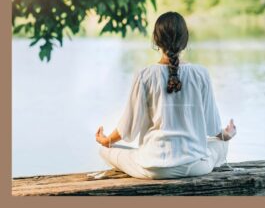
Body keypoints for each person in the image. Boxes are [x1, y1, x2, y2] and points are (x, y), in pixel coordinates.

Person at [95, 11, 237, 180]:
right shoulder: (201, 74)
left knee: (104, 150)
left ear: (155, 40)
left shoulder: (144, 75)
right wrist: (227, 135)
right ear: (185, 40)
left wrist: (106, 140)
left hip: (153, 169)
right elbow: (213, 128)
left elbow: (128, 127)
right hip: (195, 166)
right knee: (220, 144)